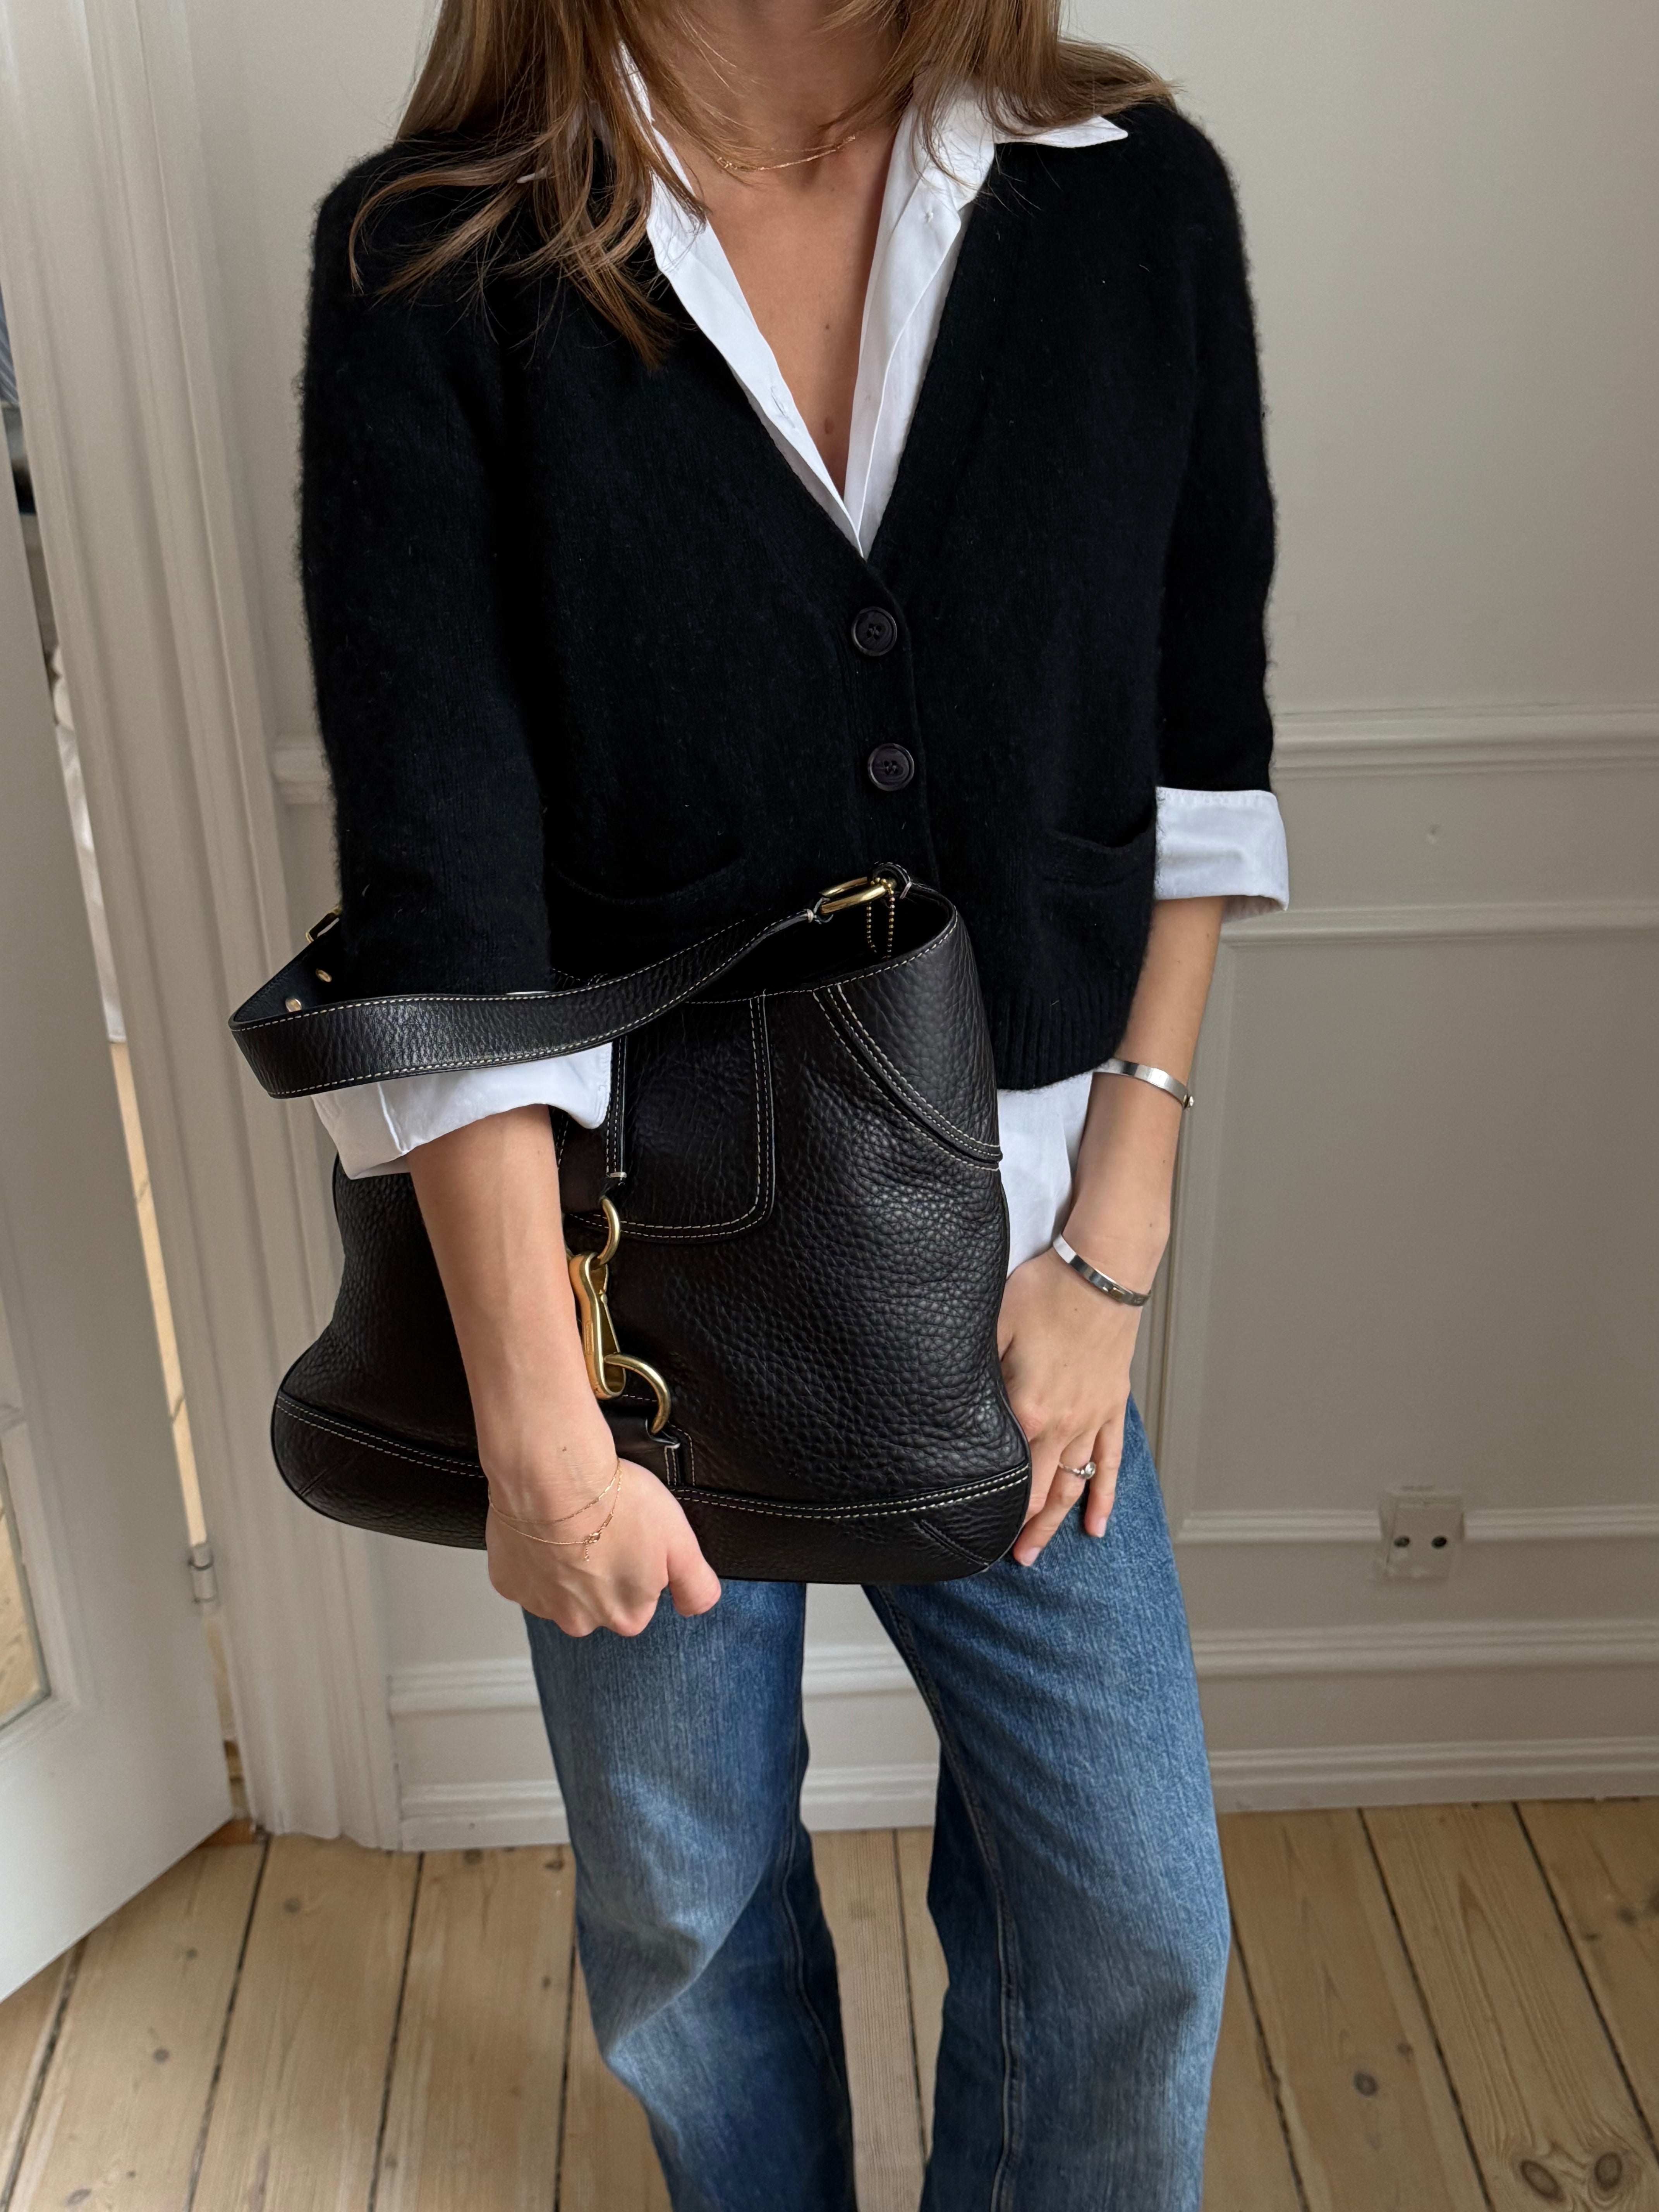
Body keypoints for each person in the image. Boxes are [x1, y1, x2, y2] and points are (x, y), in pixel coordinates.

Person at [299, 0, 1288, 2196]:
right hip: (621, 1296)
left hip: (1017, 1261)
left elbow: (1200, 749)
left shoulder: (1127, 203)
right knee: (684, 1919)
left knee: (1130, 1927)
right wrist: (542, 1425)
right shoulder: (436, 262)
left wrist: (1113, 1247)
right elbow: (448, 893)